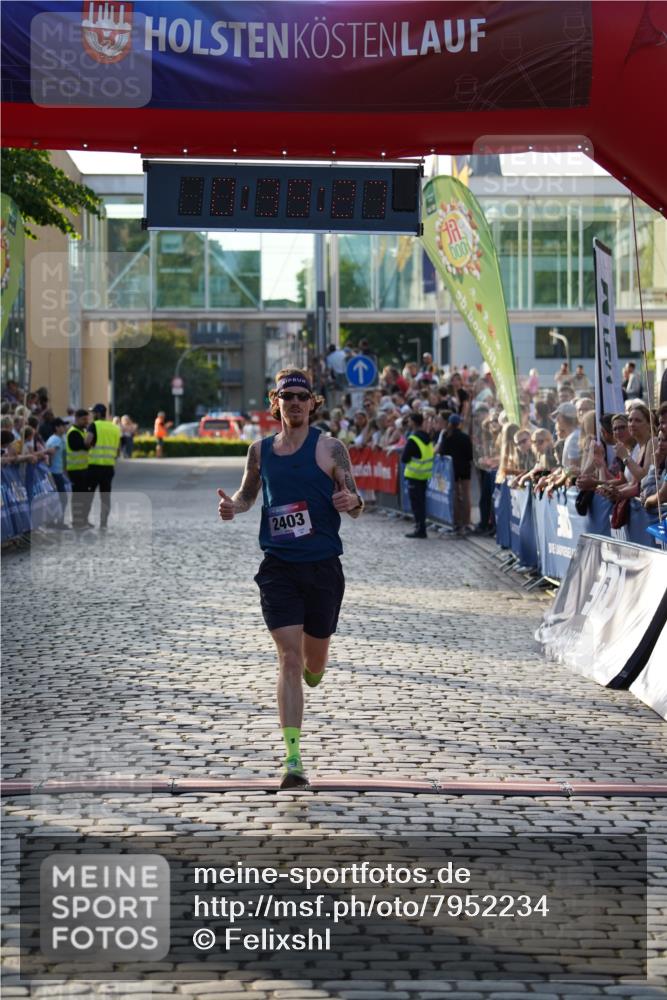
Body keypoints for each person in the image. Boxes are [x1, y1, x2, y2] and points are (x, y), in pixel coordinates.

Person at [217, 367, 363, 790]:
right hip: (278, 566)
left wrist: (350, 499)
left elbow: (357, 506)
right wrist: (234, 507)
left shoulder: (331, 449)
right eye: (288, 397)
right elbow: (248, 495)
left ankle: (316, 672)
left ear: (313, 403)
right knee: (289, 658)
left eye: (302, 396)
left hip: (323, 568)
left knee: (314, 663)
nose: (295, 403)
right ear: (276, 403)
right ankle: (293, 758)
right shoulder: (259, 451)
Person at [85, 403, 121, 530]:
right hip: (109, 468)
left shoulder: (93, 425)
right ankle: (103, 523)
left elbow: (87, 441)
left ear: (99, 414)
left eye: (93, 413)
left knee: (88, 494)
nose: (92, 415)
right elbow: (117, 452)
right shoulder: (115, 428)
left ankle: (84, 520)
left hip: (94, 466)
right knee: (105, 496)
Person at [438, 413, 474, 535]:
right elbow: (470, 455)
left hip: (452, 469)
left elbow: (441, 452)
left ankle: (457, 521)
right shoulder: (465, 437)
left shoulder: (447, 436)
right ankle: (466, 522)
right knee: (466, 495)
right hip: (464, 469)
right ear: (459, 424)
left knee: (455, 495)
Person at [401, 411, 434, 539]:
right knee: (421, 504)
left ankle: (420, 530)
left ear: (414, 423)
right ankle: (421, 528)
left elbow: (404, 458)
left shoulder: (413, 439)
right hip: (424, 476)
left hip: (414, 476)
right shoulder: (428, 437)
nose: (408, 423)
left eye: (409, 421)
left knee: (416, 506)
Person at [65, 409, 92, 530]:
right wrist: (88, 444)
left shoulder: (82, 431)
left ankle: (83, 520)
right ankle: (77, 521)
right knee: (78, 496)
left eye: (87, 419)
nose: (86, 422)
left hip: (83, 469)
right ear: (77, 419)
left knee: (84, 496)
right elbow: (79, 447)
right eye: (84, 419)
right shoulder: (73, 433)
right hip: (75, 470)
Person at [44, 417, 69, 528]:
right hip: (55, 472)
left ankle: (52, 521)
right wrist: (49, 464)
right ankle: (59, 522)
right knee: (63, 498)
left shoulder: (56, 438)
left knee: (55, 498)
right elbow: (51, 453)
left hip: (56, 471)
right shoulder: (56, 440)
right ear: (57, 427)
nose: (65, 428)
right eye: (62, 426)